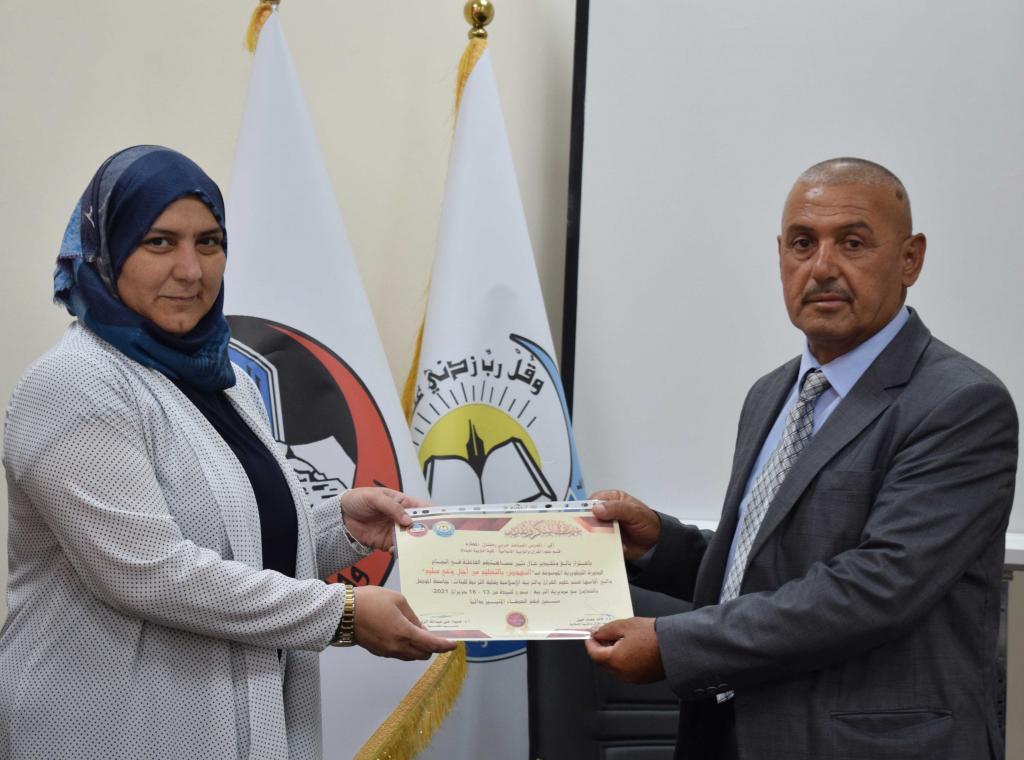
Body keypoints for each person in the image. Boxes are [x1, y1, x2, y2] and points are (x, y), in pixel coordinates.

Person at [0, 146, 455, 759]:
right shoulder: (76, 383)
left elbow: (235, 541)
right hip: (108, 728)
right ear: (108, 251)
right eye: (159, 242)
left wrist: (341, 525)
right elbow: (150, 574)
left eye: (209, 242)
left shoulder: (224, 379)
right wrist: (343, 614)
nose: (191, 270)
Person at [585, 158, 1018, 760]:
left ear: (910, 259)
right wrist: (659, 544)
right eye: (802, 243)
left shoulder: (960, 402)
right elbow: (767, 573)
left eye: (853, 243)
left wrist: (674, 645)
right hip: (731, 735)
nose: (822, 267)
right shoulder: (772, 394)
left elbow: (877, 588)